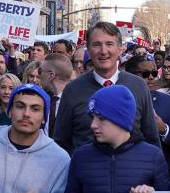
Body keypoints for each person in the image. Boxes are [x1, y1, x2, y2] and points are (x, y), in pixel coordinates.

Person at [54, 22, 159, 152]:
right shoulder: (73, 90)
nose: (103, 51)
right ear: (88, 49)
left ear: (120, 49)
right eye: (97, 45)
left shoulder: (138, 86)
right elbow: (61, 143)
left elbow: (151, 139)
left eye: (109, 44)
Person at [39, 53, 75, 137]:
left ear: (51, 75)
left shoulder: (75, 102)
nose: (39, 75)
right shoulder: (41, 99)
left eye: (40, 71)